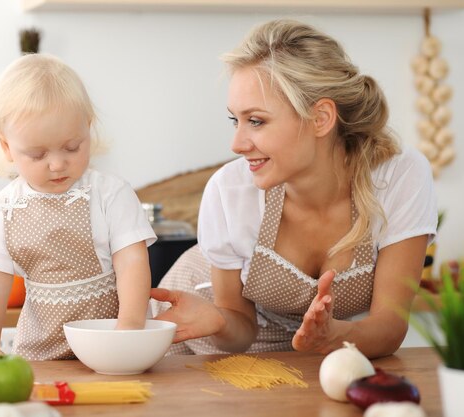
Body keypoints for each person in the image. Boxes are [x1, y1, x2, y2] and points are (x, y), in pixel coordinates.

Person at [150, 19, 437, 359]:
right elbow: (238, 332)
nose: (237, 144)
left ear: (321, 118)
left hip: (323, 352)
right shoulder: (229, 191)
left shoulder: (397, 177)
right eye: (235, 120)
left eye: (255, 120)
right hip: (201, 335)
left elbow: (389, 327)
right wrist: (218, 320)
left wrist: (334, 335)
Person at [0, 54, 156, 371]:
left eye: (72, 147)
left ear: (88, 128)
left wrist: (129, 327)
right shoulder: (6, 208)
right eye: (37, 154)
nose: (58, 164)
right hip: (39, 354)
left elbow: (132, 261)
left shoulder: (109, 194)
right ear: (7, 147)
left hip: (113, 347)